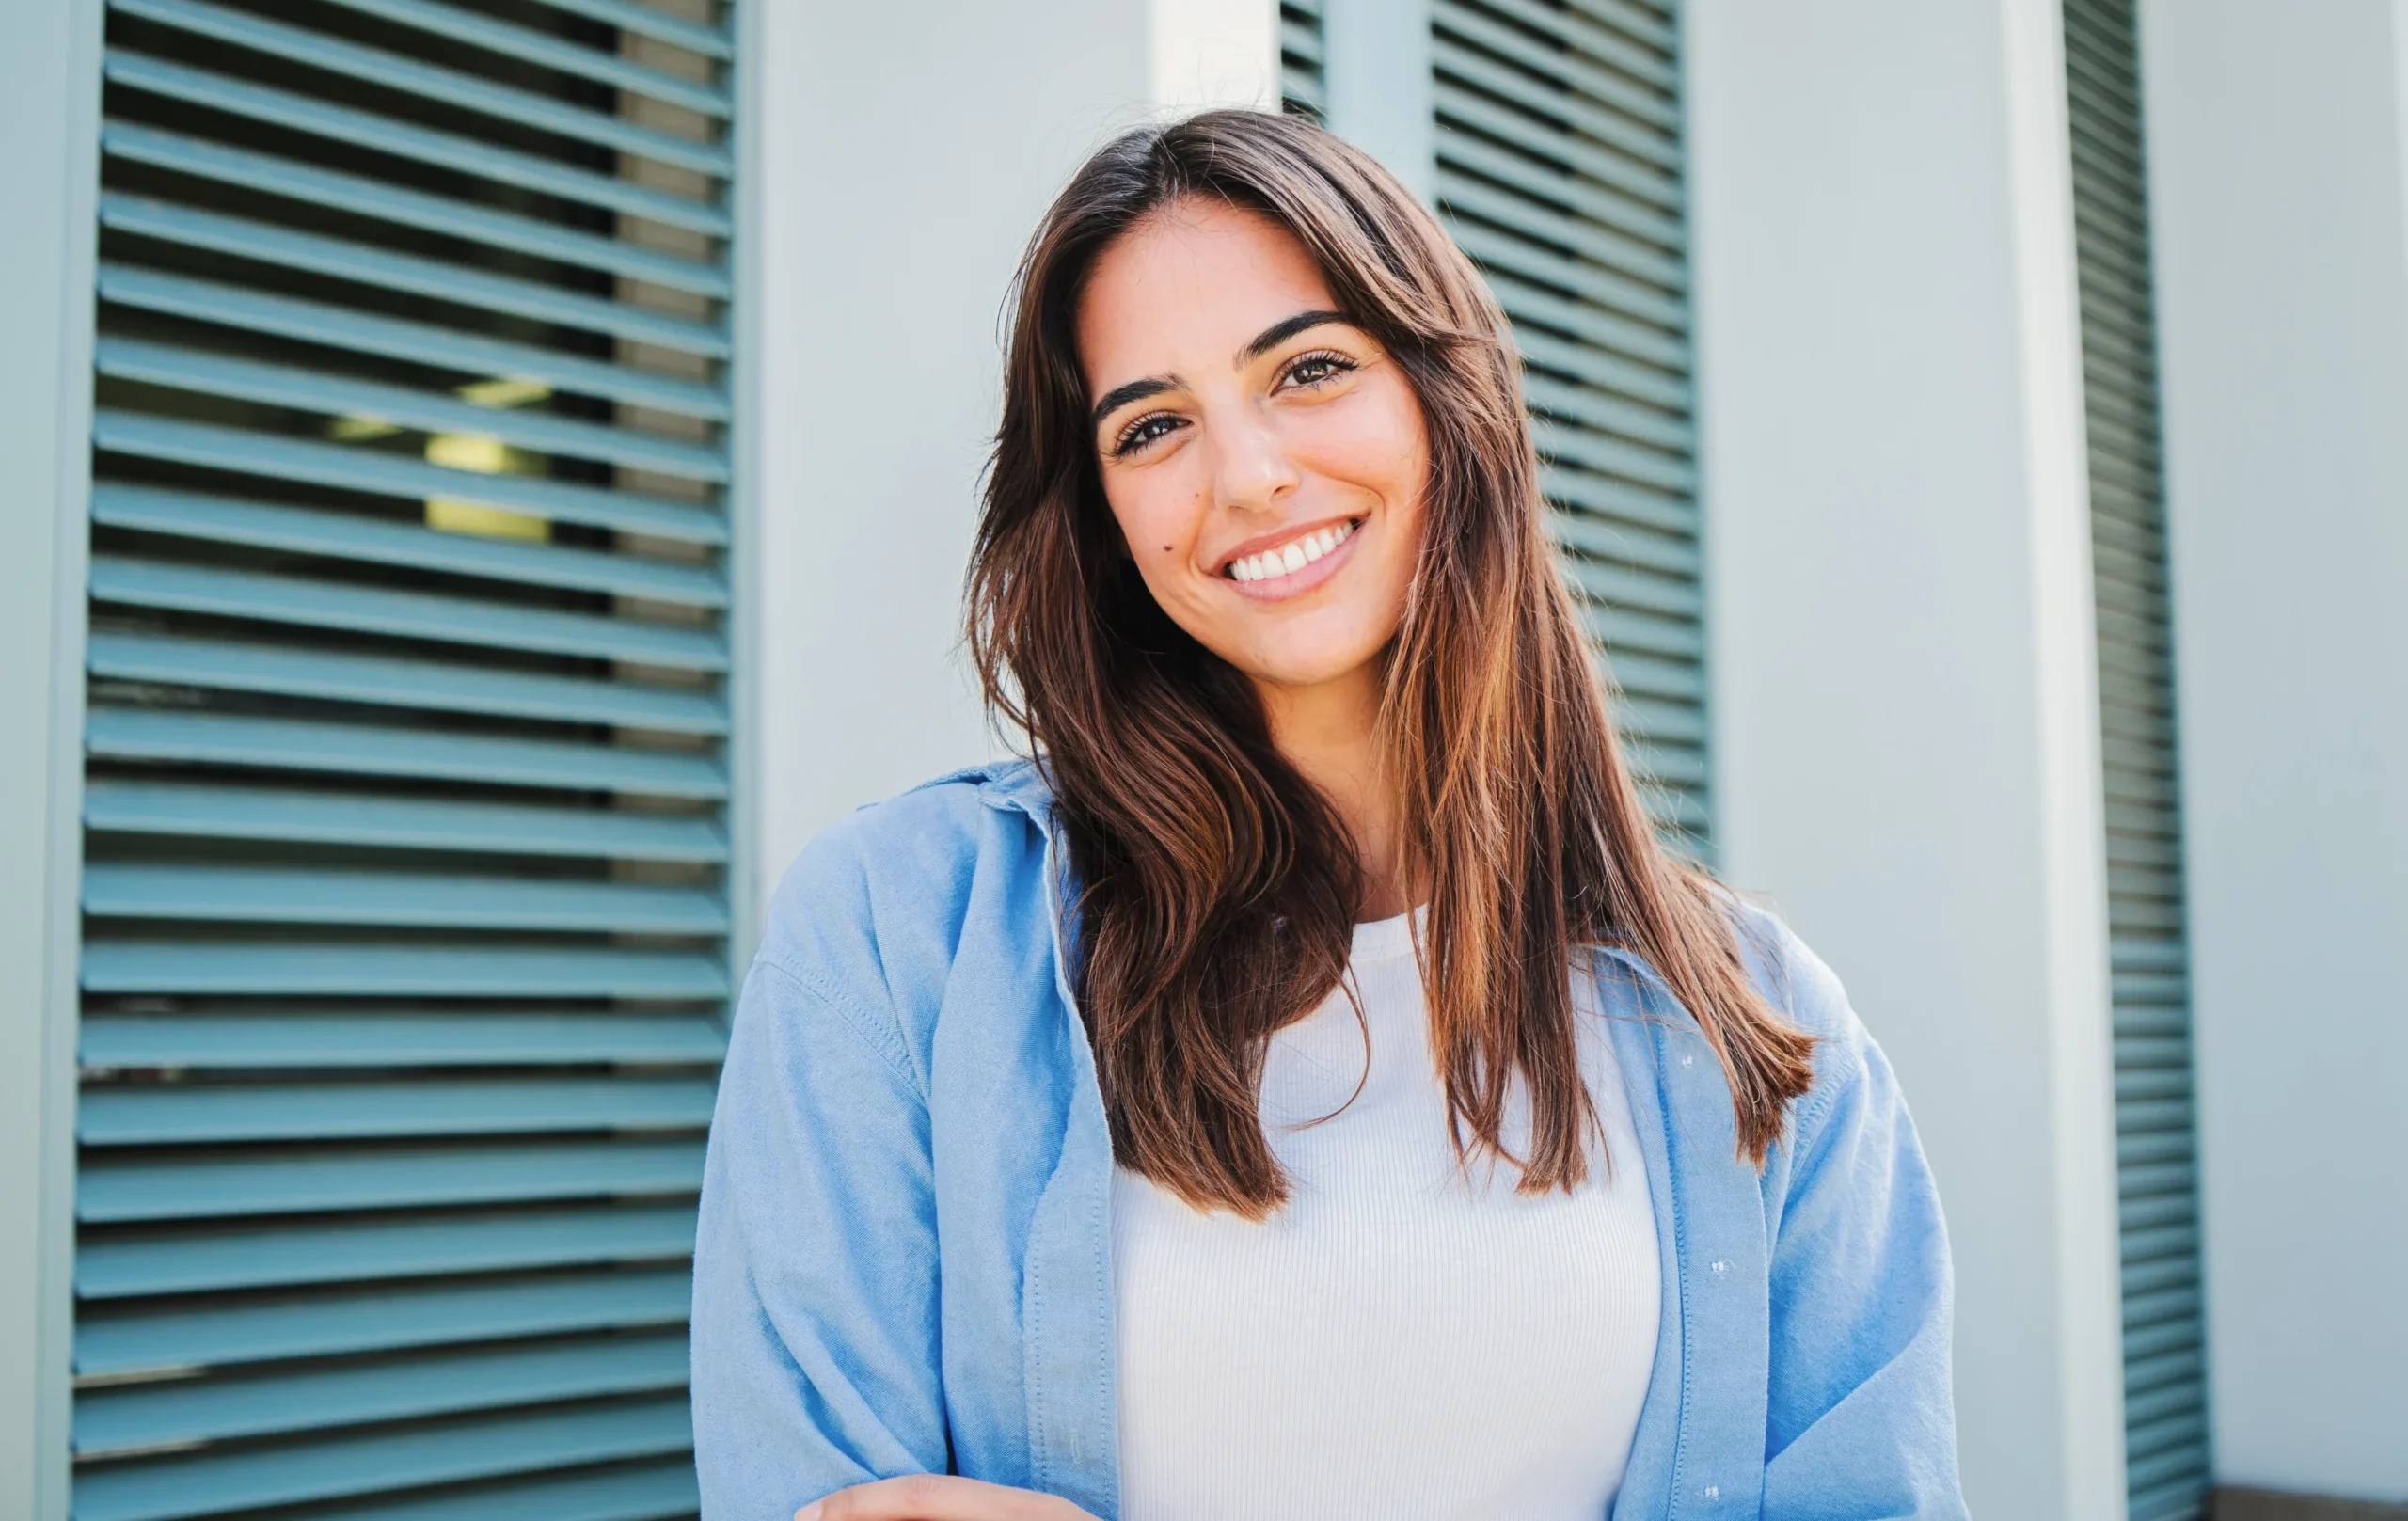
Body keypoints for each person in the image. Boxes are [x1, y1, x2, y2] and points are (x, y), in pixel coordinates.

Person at [691, 109, 1964, 1521]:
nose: (1244, 477)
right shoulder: (893, 940)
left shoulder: (1760, 1030)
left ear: (1445, 397)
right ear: (1100, 507)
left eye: (1307, 368)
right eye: (1154, 425)